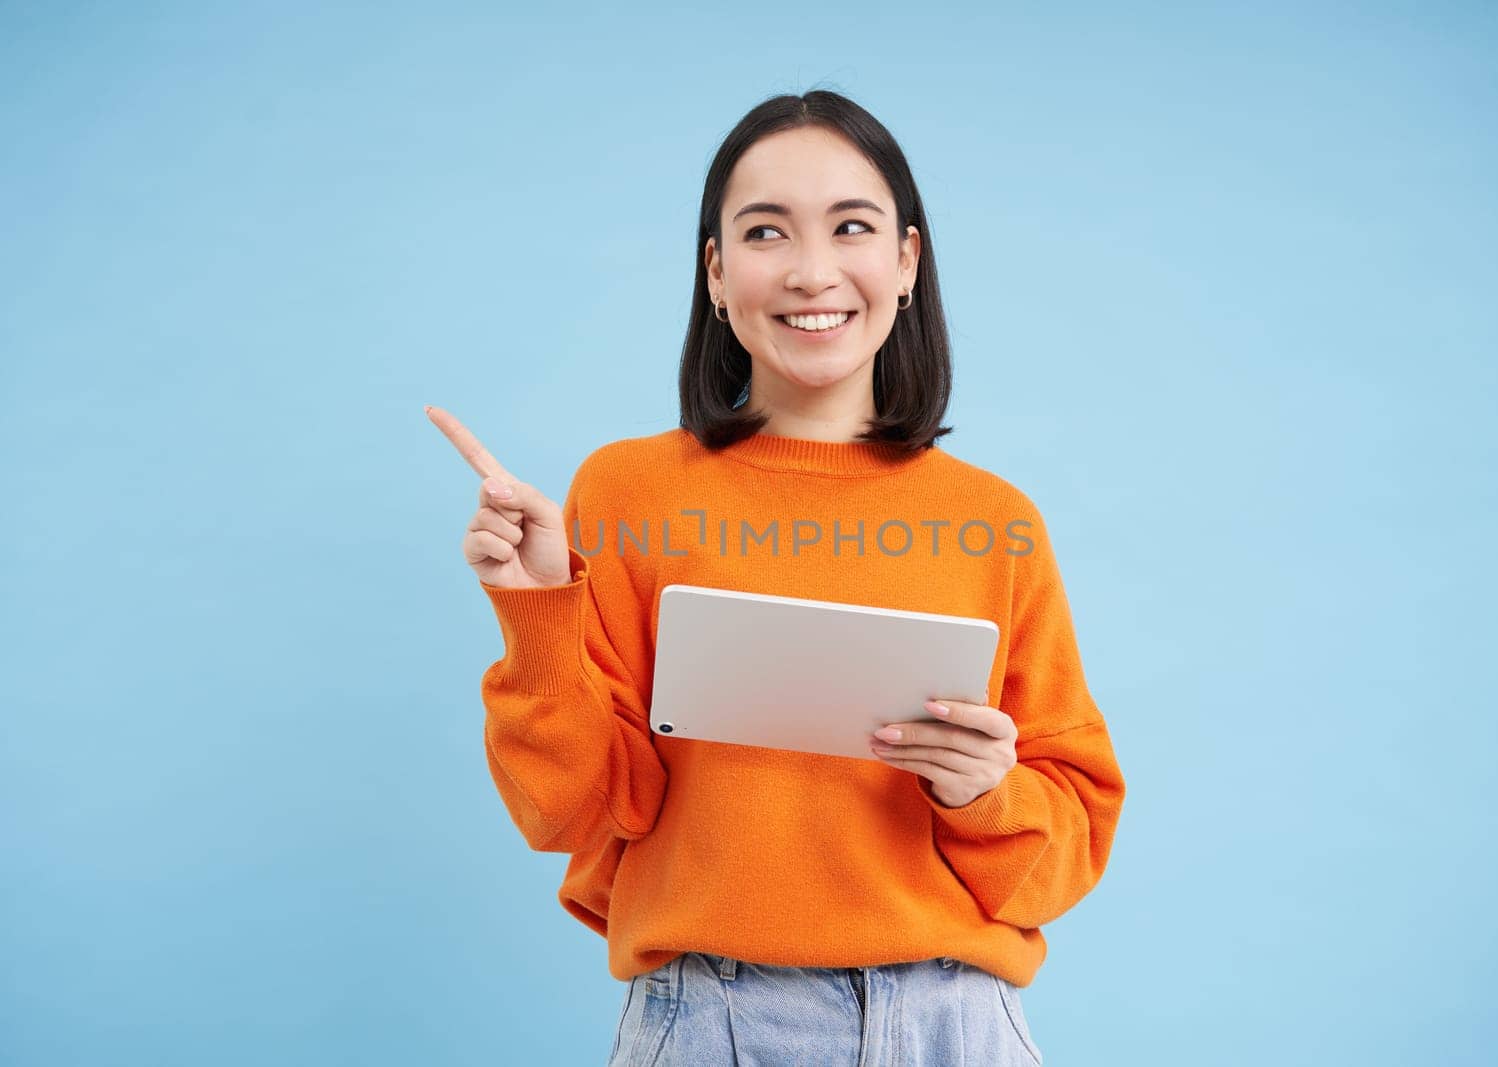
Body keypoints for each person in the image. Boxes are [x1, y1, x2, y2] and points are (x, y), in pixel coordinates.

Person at [426, 88, 1125, 1066]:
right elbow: (572, 811)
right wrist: (541, 605)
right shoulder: (629, 489)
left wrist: (983, 794)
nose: (810, 271)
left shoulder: (993, 519)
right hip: (712, 1018)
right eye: (764, 231)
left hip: (951, 1025)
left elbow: (1064, 848)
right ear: (715, 272)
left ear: (906, 262)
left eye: (851, 226)